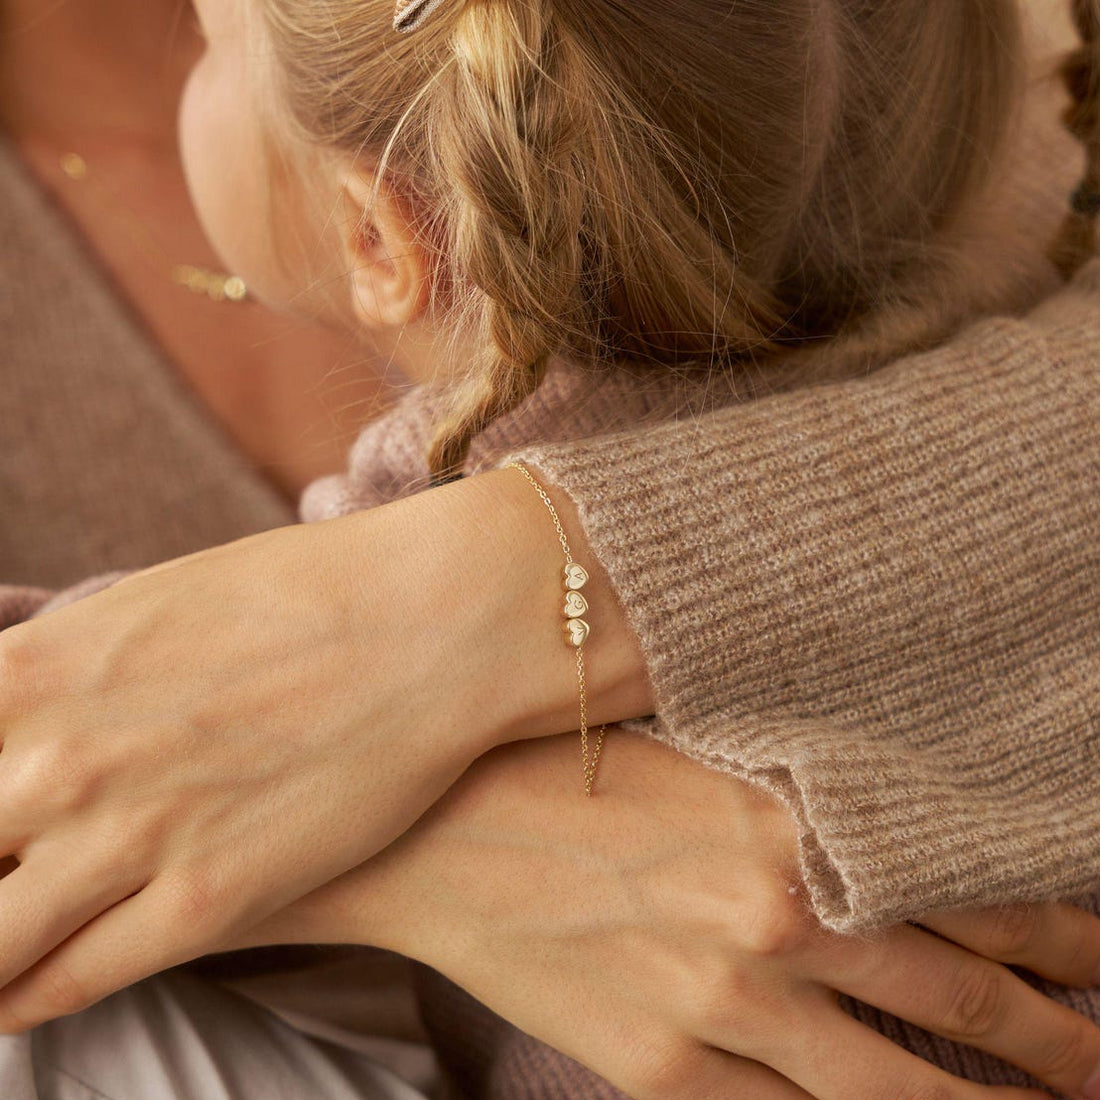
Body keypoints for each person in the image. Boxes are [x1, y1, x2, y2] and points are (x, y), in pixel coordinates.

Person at [0, 1, 1098, 1099]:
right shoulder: (987, 217)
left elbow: (85, 720)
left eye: (206, 39)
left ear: (380, 239)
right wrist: (441, 838)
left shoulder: (414, 488)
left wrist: (538, 577)